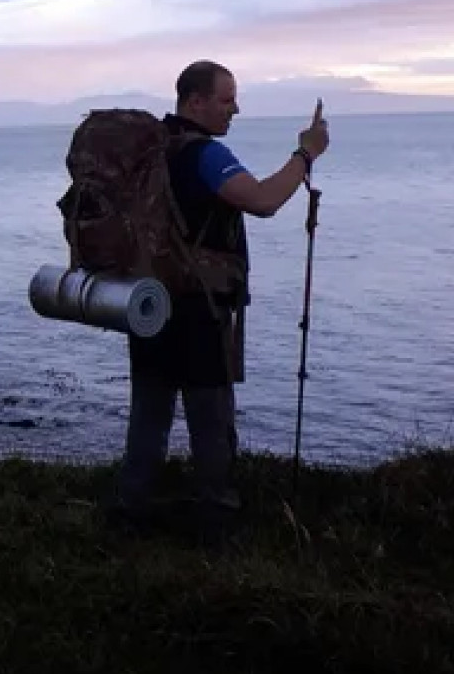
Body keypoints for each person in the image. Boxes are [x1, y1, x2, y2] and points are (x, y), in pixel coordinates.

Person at [114, 61, 330, 538]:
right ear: (195, 102)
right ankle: (216, 520)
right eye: (226, 98)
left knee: (149, 412)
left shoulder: (155, 150)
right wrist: (305, 154)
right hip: (197, 307)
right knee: (210, 417)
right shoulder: (204, 154)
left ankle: (131, 511)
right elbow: (263, 199)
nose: (236, 109)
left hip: (149, 301)